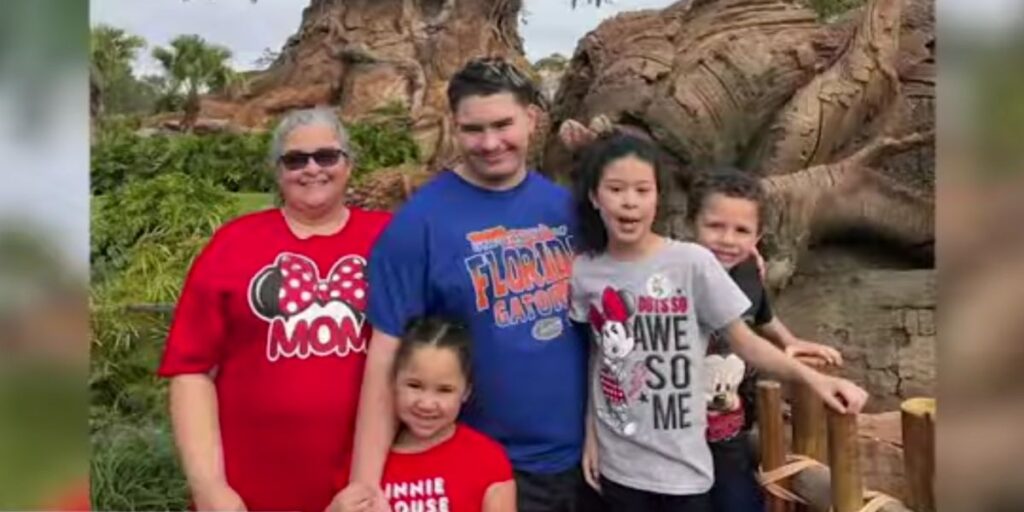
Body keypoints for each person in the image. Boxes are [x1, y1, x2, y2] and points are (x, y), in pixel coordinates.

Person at [334, 57, 597, 512]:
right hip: (485, 468)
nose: (491, 143)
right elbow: (384, 356)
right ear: (454, 127)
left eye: (503, 124)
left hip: (587, 460)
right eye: (474, 129)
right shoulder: (419, 225)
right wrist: (365, 482)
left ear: (532, 119)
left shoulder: (567, 209)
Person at [568, 134, 868, 512]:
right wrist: (591, 435)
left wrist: (816, 378)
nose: (630, 201)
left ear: (657, 197)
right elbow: (600, 356)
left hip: (685, 467)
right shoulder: (584, 272)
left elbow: (745, 340)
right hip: (619, 465)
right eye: (615, 189)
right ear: (595, 197)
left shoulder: (692, 262)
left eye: (642, 190)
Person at [158, 107, 391, 512]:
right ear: (277, 170)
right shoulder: (234, 244)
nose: (311, 169)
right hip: (249, 494)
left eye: (326, 156)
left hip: (366, 490)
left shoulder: (390, 239)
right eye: (295, 159)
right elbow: (190, 371)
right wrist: (209, 486)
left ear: (348, 164)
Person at [687, 166, 843, 511]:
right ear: (691, 225)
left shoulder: (747, 273)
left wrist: (789, 340)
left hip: (729, 426)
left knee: (741, 501)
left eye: (741, 230)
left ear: (757, 238)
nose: (727, 239)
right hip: (678, 437)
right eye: (714, 226)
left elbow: (761, 314)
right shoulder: (675, 271)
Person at [333, 318, 515, 512]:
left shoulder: (487, 460)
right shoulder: (363, 467)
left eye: (444, 390)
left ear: (466, 391)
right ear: (393, 382)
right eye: (415, 385)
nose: (427, 404)